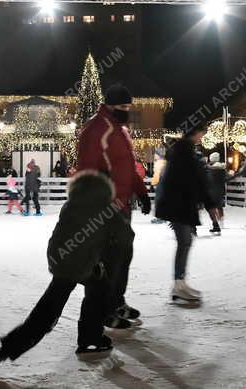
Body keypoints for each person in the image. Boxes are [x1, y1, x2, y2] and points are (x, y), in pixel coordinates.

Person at [0, 171, 116, 376]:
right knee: (87, 294)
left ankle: (0, 353)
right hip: (77, 264)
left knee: (56, 307)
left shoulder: (72, 205)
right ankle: (89, 339)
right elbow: (118, 239)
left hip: (63, 260)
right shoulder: (102, 209)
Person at [75, 83, 151, 330]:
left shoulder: (119, 130)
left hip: (122, 207)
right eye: (122, 107)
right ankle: (105, 310)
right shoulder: (96, 129)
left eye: (129, 107)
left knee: (122, 257)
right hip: (105, 208)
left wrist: (141, 192)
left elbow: (127, 166)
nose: (126, 110)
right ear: (109, 105)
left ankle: (116, 301)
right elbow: (87, 169)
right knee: (109, 261)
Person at [155, 121, 216, 303]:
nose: (202, 137)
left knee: (185, 242)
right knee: (184, 242)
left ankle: (180, 283)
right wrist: (209, 203)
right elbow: (197, 181)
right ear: (195, 133)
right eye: (202, 133)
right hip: (178, 204)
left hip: (178, 203)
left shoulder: (181, 150)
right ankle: (178, 285)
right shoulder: (185, 152)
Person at [206, 151, 228, 235]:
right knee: (219, 206)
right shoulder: (222, 169)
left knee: (212, 207)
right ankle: (221, 221)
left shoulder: (211, 170)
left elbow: (209, 180)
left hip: (212, 190)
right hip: (221, 190)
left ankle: (216, 222)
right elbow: (226, 178)